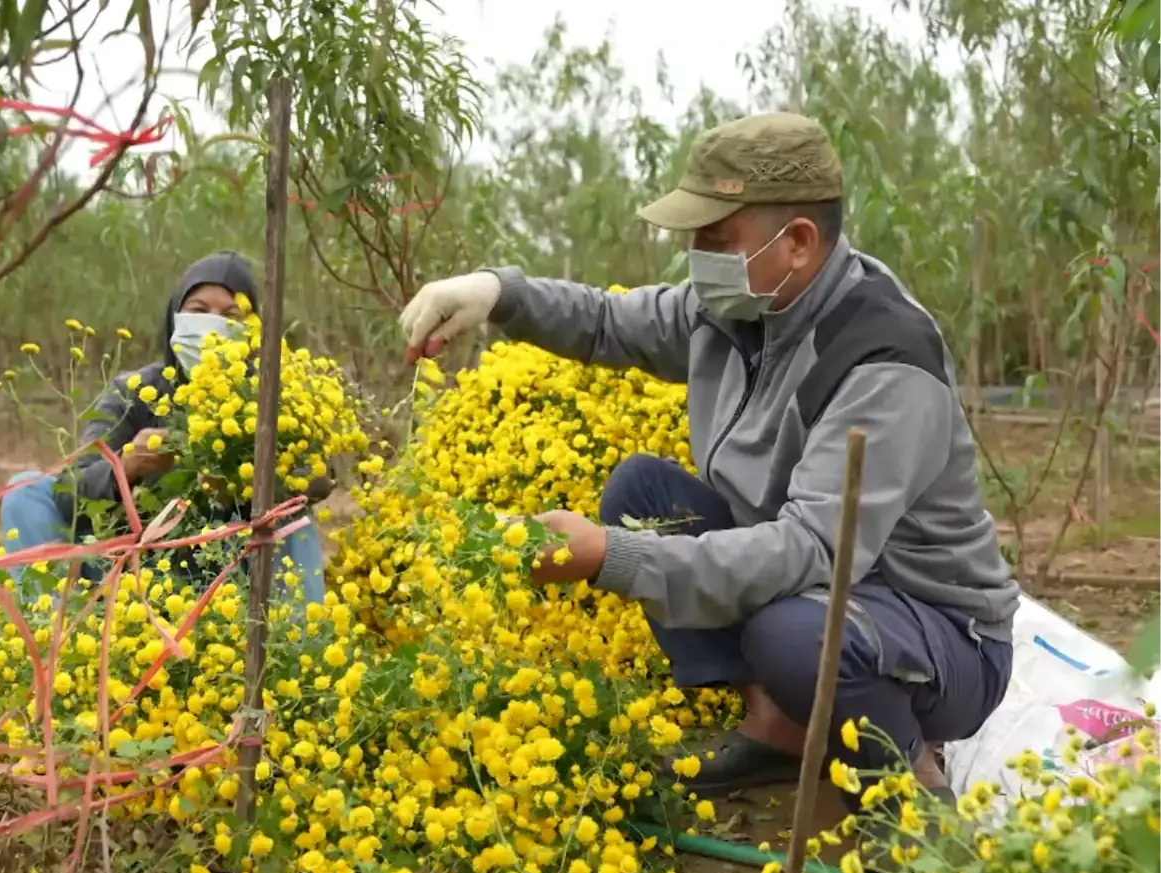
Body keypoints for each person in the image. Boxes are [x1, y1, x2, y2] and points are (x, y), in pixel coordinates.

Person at [396, 112, 1017, 806]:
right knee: (644, 491)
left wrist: (609, 555)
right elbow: (607, 322)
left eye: (716, 239)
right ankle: (778, 726)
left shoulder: (880, 359)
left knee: (795, 632)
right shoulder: (738, 308)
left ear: (799, 243)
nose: (696, 255)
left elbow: (810, 550)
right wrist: (495, 293)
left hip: (938, 633)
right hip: (817, 578)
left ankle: (905, 785)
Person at [0, 250, 328, 611]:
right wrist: (126, 467)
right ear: (175, 316)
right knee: (26, 490)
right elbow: (70, 487)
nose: (212, 324)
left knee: (294, 514)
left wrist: (247, 480)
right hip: (131, 571)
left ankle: (294, 652)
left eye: (231, 315)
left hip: (231, 571)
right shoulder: (134, 392)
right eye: (199, 311)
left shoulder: (268, 398)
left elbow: (318, 479)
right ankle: (59, 633)